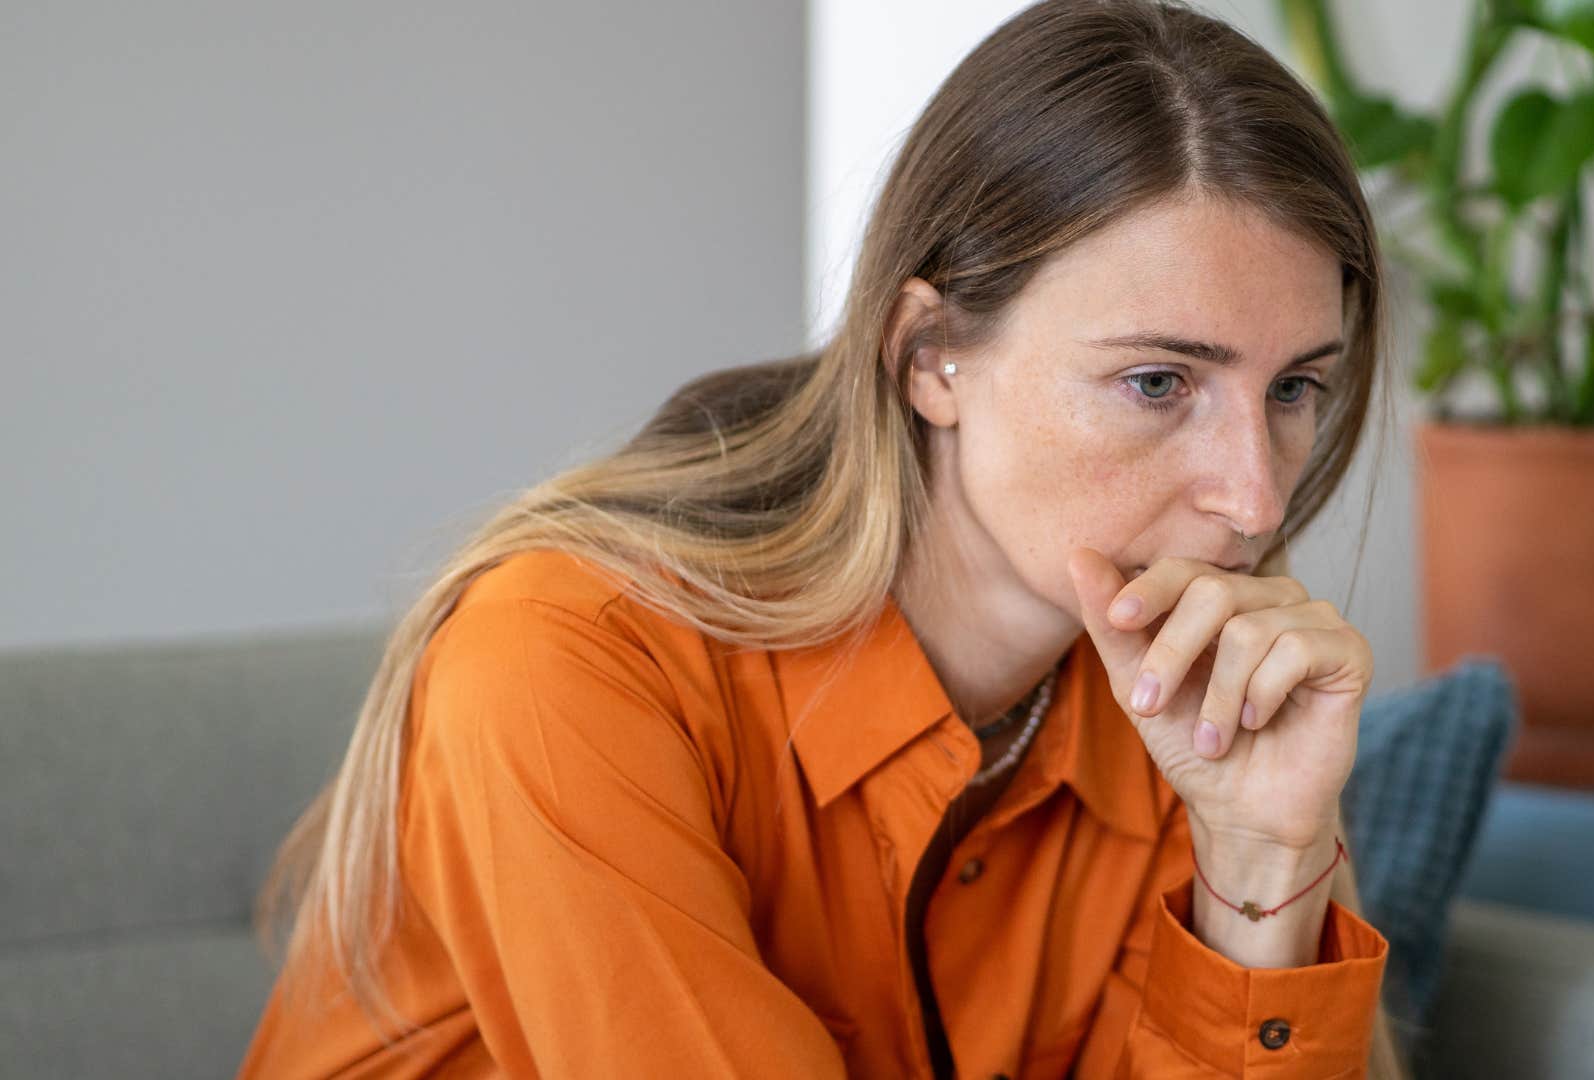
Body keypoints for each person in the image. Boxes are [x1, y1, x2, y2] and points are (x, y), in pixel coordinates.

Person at [238, 0, 1411, 1075]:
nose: (1254, 500)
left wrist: (1259, 858)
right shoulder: (564, 658)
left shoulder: (1177, 707)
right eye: (1159, 383)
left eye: (1295, 389)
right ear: (931, 355)